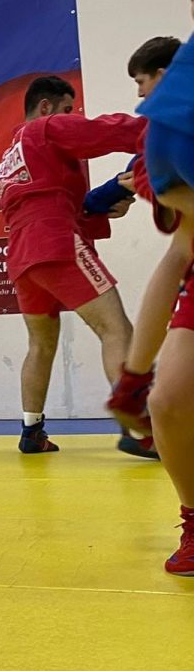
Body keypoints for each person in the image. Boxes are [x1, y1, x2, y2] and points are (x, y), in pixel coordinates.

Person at [0, 76, 143, 454]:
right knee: (115, 328)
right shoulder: (44, 129)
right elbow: (104, 131)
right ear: (46, 108)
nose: (70, 118)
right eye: (66, 110)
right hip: (54, 242)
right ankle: (139, 429)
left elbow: (57, 206)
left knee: (40, 345)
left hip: (23, 254)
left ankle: (31, 431)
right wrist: (162, 130)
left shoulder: (10, 159)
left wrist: (112, 197)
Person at [121, 31, 194, 574]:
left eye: (143, 82)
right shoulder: (166, 140)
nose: (139, 97)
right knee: (168, 401)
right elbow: (178, 255)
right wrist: (135, 377)